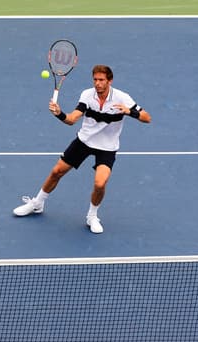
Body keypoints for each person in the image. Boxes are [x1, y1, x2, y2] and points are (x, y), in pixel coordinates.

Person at [13, 64, 151, 233]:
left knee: (100, 183)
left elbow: (147, 118)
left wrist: (130, 111)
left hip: (107, 148)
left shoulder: (123, 97)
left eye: (101, 80)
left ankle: (92, 216)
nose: (98, 83)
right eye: (95, 80)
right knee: (57, 171)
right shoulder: (87, 95)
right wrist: (59, 114)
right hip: (84, 141)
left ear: (110, 81)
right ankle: (37, 203)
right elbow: (72, 119)